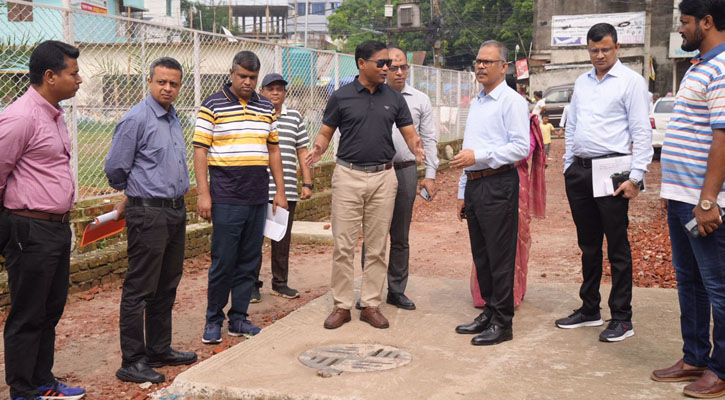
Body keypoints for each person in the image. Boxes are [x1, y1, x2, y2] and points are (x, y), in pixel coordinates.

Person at [305, 40, 425, 330]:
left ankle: (371, 304)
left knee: (376, 247)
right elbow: (325, 132)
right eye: (381, 63)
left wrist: (417, 147)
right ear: (362, 63)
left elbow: (409, 132)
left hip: (384, 177)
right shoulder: (341, 96)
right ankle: (342, 306)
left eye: (390, 64)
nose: (388, 68)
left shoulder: (394, 98)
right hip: (348, 176)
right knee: (343, 246)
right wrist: (319, 148)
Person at [555, 23, 653, 342]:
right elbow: (573, 125)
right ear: (588, 50)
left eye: (605, 49)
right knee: (588, 245)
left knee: (618, 245)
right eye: (594, 50)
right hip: (581, 171)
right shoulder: (582, 82)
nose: (599, 55)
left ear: (617, 47)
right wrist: (569, 164)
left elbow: (641, 133)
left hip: (613, 169)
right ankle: (589, 309)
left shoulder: (631, 82)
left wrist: (637, 177)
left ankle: (622, 317)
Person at [0, 40, 86, 400]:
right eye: (73, 73)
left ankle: (42, 382)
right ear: (50, 76)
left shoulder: (53, 114)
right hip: (29, 228)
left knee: (50, 309)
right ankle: (22, 390)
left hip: (54, 227)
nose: (79, 79)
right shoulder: (20, 117)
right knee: (28, 312)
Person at [105, 57, 198, 383]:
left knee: (166, 284)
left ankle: (159, 349)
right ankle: (132, 361)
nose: (168, 88)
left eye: (174, 83)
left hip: (174, 211)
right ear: (150, 81)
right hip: (148, 212)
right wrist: (136, 191)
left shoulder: (173, 118)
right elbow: (116, 169)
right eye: (162, 82)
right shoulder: (136, 119)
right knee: (140, 287)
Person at [652, 1, 725, 398]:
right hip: (682, 197)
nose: (680, 29)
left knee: (718, 287)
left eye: (684, 22)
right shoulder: (700, 66)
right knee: (690, 282)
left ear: (707, 22)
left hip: (703, 200)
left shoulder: (723, 67)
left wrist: (710, 199)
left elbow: (723, 137)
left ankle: (722, 368)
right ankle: (695, 355)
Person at [195, 51, 288, 344]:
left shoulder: (265, 107)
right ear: (232, 73)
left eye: (252, 78)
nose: (247, 82)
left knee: (249, 260)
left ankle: (239, 318)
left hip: (257, 197)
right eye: (242, 76)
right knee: (223, 261)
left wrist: (281, 191)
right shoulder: (212, 105)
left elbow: (273, 150)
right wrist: (203, 194)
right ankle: (213, 319)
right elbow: (200, 150)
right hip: (225, 198)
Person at [452, 40, 530, 346]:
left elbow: (520, 147)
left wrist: (479, 157)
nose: (481, 66)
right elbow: (467, 151)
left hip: (498, 183)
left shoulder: (511, 102)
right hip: (475, 184)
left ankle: (503, 322)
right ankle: (488, 311)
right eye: (478, 61)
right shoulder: (478, 102)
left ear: (504, 67)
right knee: (481, 253)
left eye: (488, 61)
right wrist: (462, 190)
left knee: (500, 255)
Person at [354, 46, 439, 311]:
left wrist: (431, 175)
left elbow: (429, 139)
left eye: (403, 67)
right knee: (373, 235)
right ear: (382, 67)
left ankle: (397, 290)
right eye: (393, 67)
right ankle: (370, 291)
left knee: (400, 235)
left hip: (405, 170)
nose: (399, 72)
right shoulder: (370, 97)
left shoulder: (420, 100)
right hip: (375, 172)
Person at [252, 73, 313, 302]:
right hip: (258, 190)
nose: (276, 93)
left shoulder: (294, 117)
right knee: (254, 241)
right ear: (262, 92)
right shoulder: (256, 116)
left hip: (285, 191)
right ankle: (252, 285)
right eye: (271, 89)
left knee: (281, 239)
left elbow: (302, 151)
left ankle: (280, 283)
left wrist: (307, 183)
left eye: (280, 89)